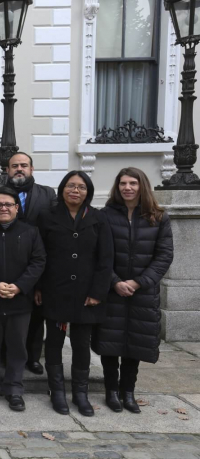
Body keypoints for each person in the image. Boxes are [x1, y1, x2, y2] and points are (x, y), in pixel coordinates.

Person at [92, 167, 174, 414]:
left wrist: (139, 282)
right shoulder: (105, 215)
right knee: (110, 342)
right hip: (112, 289)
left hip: (143, 291)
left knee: (134, 343)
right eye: (123, 183)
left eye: (132, 183)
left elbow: (164, 255)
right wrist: (115, 281)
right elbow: (98, 254)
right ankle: (111, 391)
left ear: (142, 186)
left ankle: (128, 392)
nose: (127, 188)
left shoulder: (158, 216)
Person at [37, 171, 113, 417]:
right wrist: (38, 286)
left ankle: (80, 393)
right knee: (55, 342)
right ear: (62, 189)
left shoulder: (99, 219)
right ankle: (57, 391)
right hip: (54, 290)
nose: (75, 191)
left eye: (81, 187)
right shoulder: (47, 217)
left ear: (88, 192)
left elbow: (106, 259)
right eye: (71, 186)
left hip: (86, 294)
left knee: (81, 343)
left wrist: (98, 292)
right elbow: (39, 255)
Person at [0, 187, 46, 412]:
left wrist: (19, 286)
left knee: (17, 348)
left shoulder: (31, 232)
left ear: (16, 207)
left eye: (8, 204)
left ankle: (15, 389)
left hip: (20, 301)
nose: (3, 208)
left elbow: (38, 262)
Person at [5, 152, 57, 376]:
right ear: (7, 170)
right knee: (5, 316)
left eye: (23, 165)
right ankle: (4, 355)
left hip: (37, 264)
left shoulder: (48, 194)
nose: (19, 169)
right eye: (14, 166)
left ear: (31, 169)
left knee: (36, 316)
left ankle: (33, 358)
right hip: (5, 262)